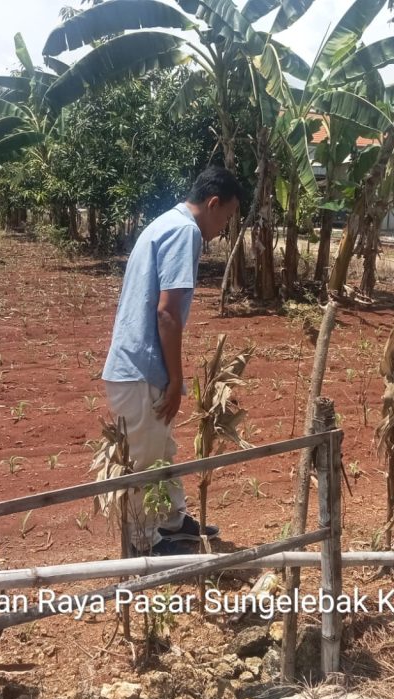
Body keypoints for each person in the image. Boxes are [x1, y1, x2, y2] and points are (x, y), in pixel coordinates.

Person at [102, 166, 244, 556]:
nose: (224, 226)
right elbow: (167, 314)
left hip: (137, 364)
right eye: (227, 216)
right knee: (146, 458)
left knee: (162, 449)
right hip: (141, 368)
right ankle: (144, 542)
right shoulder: (186, 232)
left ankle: (172, 522)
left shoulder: (165, 221)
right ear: (213, 204)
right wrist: (177, 378)